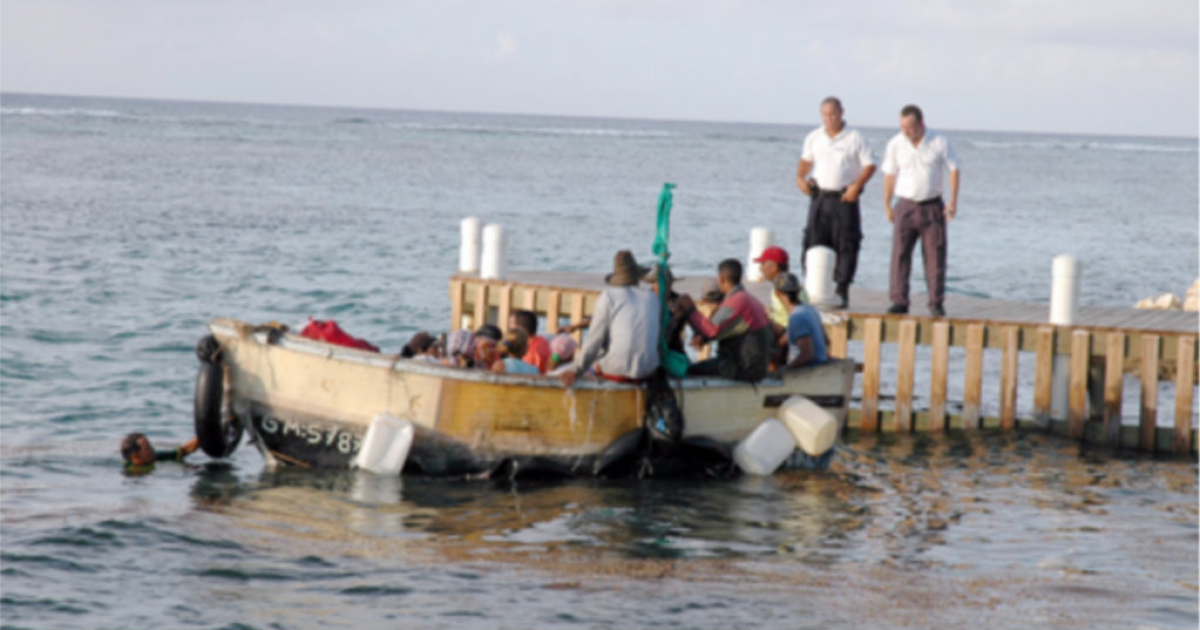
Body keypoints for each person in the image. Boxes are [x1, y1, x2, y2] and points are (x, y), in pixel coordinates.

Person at [796, 96, 876, 309]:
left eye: (832, 114)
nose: (829, 119)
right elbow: (805, 162)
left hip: (844, 198)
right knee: (813, 239)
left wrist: (857, 186)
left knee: (847, 242)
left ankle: (842, 287)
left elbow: (870, 166)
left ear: (841, 113)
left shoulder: (855, 137)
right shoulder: (814, 137)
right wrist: (800, 180)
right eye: (825, 115)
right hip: (820, 197)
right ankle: (812, 285)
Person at [882, 104, 961, 317]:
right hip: (905, 205)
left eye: (910, 127)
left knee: (935, 255)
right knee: (900, 255)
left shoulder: (939, 141)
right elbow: (890, 174)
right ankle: (899, 300)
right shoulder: (895, 144)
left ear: (921, 123)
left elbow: (954, 169)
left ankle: (935, 302)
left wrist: (952, 201)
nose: (906, 131)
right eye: (902, 127)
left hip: (932, 206)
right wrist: (887, 204)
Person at [559, 250, 661, 387]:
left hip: (616, 373)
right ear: (637, 276)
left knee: (599, 352)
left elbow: (594, 341)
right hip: (648, 372)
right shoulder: (652, 298)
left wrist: (575, 370)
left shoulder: (609, 297)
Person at [676, 258, 773, 382]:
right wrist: (704, 338)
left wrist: (690, 309)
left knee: (690, 370)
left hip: (744, 368)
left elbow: (711, 330)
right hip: (758, 366)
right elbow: (727, 329)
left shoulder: (735, 302)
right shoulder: (748, 298)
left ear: (721, 278)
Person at [773, 272, 828, 370]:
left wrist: (787, 369)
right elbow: (826, 340)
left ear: (778, 293)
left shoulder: (797, 317)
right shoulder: (810, 309)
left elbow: (807, 354)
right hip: (820, 367)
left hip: (807, 373)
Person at [642, 262, 687, 355]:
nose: (665, 286)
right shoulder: (646, 301)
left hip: (673, 350)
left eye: (667, 283)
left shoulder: (677, 301)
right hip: (650, 350)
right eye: (657, 283)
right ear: (652, 284)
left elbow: (676, 332)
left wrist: (675, 316)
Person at [120, 433, 199, 469]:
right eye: (148, 448)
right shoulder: (131, 471)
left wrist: (203, 435)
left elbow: (183, 450)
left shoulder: (154, 457)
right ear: (135, 457)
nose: (153, 450)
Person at [509, 309, 552, 374]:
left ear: (520, 328)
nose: (509, 328)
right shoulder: (543, 341)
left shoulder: (529, 351)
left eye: (511, 324)